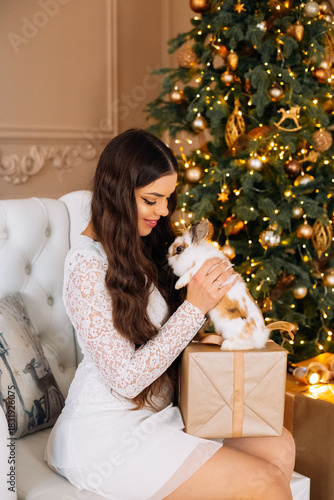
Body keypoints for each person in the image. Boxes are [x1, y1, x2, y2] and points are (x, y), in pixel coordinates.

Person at [45, 129, 295, 499]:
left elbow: (160, 331)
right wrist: (194, 308)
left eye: (168, 198)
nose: (164, 211)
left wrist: (210, 323)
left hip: (159, 416)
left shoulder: (141, 244)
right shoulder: (85, 265)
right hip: (107, 436)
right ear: (116, 192)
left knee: (280, 445)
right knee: (269, 485)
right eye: (152, 199)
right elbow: (127, 381)